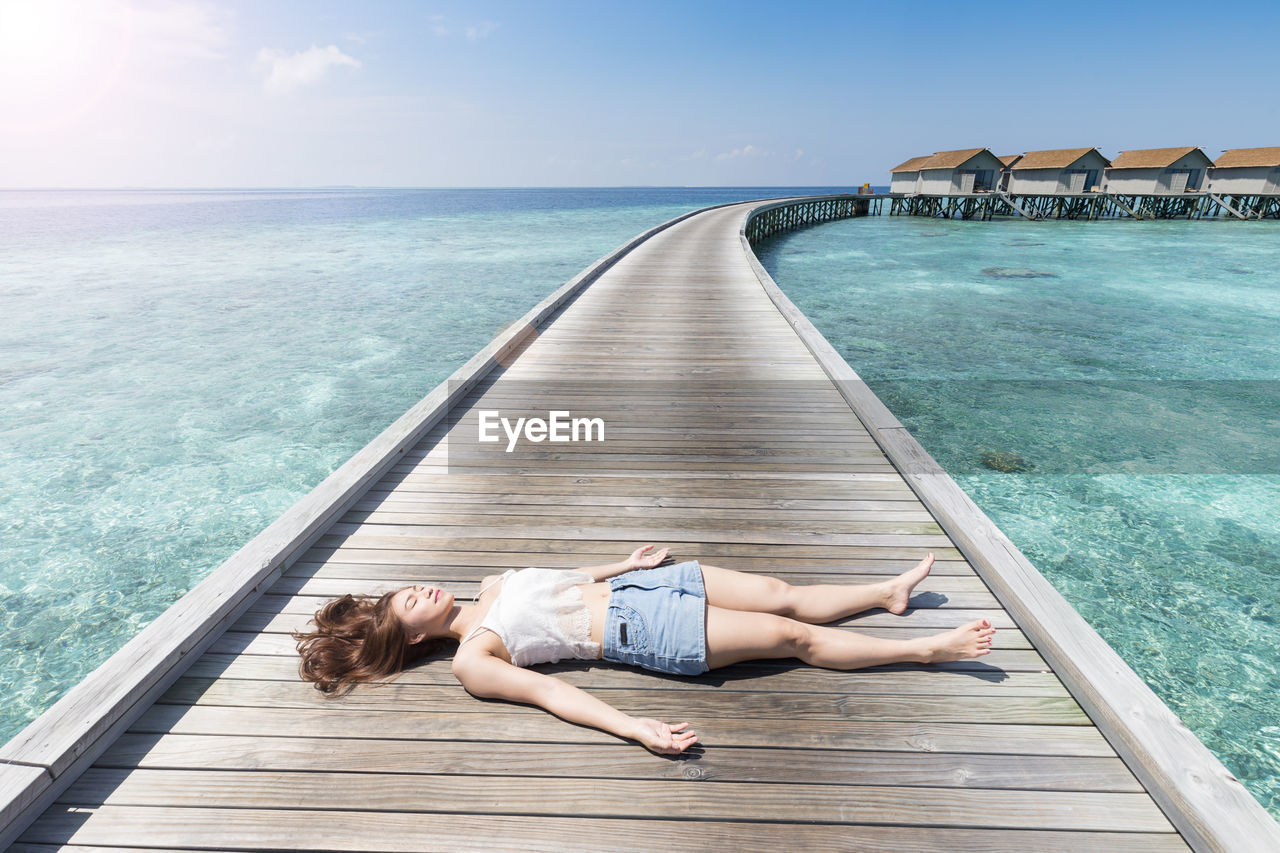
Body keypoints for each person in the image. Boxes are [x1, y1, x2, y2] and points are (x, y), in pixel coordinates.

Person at [295, 545, 995, 755]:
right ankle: (928, 650)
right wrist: (633, 726)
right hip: (642, 635)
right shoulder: (474, 658)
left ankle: (887, 592)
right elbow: (556, 694)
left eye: (407, 589)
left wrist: (621, 562)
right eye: (406, 603)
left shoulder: (490, 581)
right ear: (410, 635)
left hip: (645, 585)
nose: (417, 588)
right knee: (792, 638)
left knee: (779, 592)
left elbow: (565, 576)